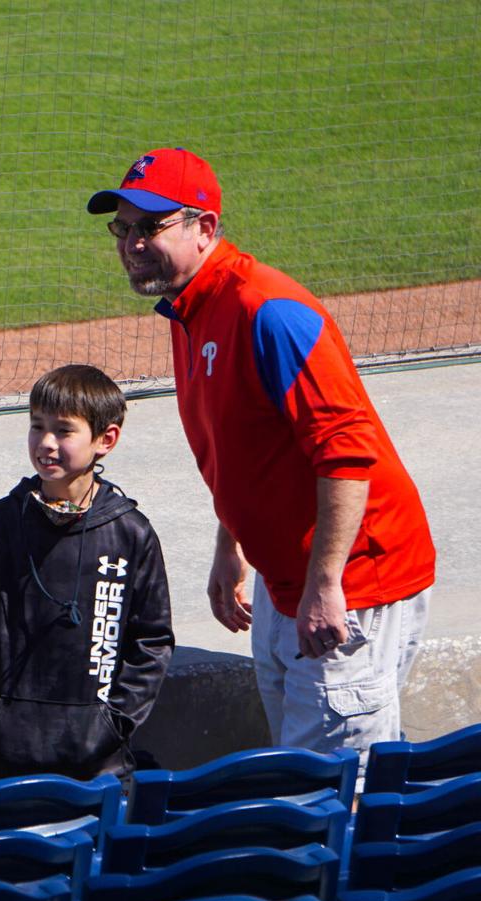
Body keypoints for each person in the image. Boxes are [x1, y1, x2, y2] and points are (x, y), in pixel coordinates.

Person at [86, 148, 435, 765]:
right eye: (123, 226)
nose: (132, 243)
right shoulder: (189, 307)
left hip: (355, 577)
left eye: (151, 226)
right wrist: (232, 546)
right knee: (297, 761)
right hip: (285, 576)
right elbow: (247, 446)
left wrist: (328, 587)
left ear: (205, 229)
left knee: (331, 788)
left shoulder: (268, 312)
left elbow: (347, 456)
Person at [0, 364, 174, 782]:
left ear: (105, 440)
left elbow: (152, 641)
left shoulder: (130, 533)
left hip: (100, 765)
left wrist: (113, 723)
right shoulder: (1, 523)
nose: (46, 443)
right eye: (37, 427)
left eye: (64, 431)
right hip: (6, 760)